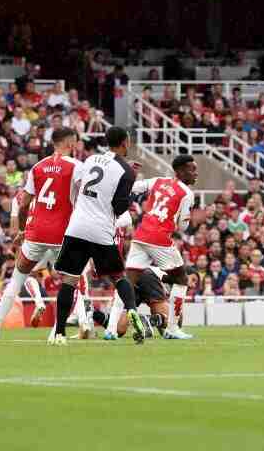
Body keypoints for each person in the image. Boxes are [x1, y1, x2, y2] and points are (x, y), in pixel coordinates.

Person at [0, 128, 81, 346]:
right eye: (75, 143)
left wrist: (20, 226)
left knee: (16, 280)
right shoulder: (76, 167)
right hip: (61, 235)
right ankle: (58, 331)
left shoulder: (37, 167)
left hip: (36, 234)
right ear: (70, 144)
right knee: (70, 282)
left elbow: (23, 199)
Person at [51, 126, 145, 345]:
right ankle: (131, 310)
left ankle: (60, 333)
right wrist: (129, 183)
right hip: (101, 230)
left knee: (70, 280)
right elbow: (120, 207)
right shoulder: (127, 171)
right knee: (118, 276)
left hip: (77, 227)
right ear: (125, 142)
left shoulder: (90, 160)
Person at [109, 154, 198, 340]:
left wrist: (129, 174)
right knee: (182, 279)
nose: (195, 173)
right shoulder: (187, 194)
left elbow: (133, 187)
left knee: (127, 282)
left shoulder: (159, 181)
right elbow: (183, 226)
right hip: (159, 238)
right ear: (180, 171)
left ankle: (110, 330)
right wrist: (182, 219)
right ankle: (173, 329)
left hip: (141, 235)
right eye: (192, 169)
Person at [92, 267, 171, 339]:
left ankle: (93, 313)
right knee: (170, 322)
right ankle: (148, 320)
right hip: (148, 276)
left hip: (128, 277)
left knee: (119, 329)